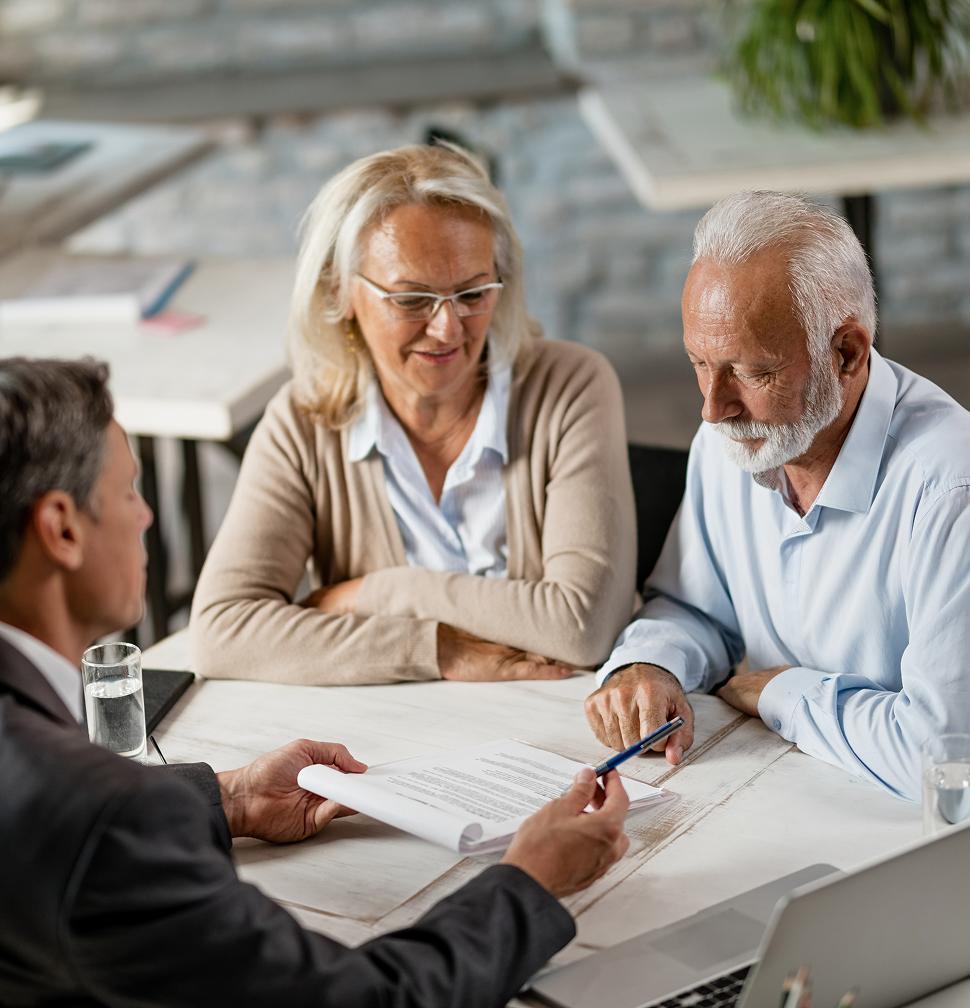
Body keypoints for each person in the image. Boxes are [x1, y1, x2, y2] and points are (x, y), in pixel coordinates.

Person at [0, 357, 632, 1007]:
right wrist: (529, 883)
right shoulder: (104, 815)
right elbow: (359, 1000)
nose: (147, 518)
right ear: (63, 529)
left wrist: (231, 798)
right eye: (129, 492)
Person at [189, 142, 636, 686]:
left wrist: (377, 593)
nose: (448, 327)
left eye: (473, 293)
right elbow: (220, 634)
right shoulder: (303, 423)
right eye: (411, 300)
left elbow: (581, 627)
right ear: (340, 292)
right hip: (388, 740)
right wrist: (436, 649)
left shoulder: (570, 386)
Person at [585, 190, 970, 801]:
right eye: (699, 364)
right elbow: (693, 607)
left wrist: (780, 692)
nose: (714, 408)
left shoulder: (951, 489)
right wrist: (651, 665)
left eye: (752, 371)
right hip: (782, 787)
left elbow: (947, 765)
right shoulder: (732, 439)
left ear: (846, 353)